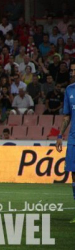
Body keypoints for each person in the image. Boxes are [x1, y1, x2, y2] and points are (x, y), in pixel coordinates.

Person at [56, 62, 75, 223]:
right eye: (72, 71)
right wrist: (60, 135)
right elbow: (67, 116)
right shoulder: (69, 90)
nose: (73, 73)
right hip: (73, 139)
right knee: (74, 175)